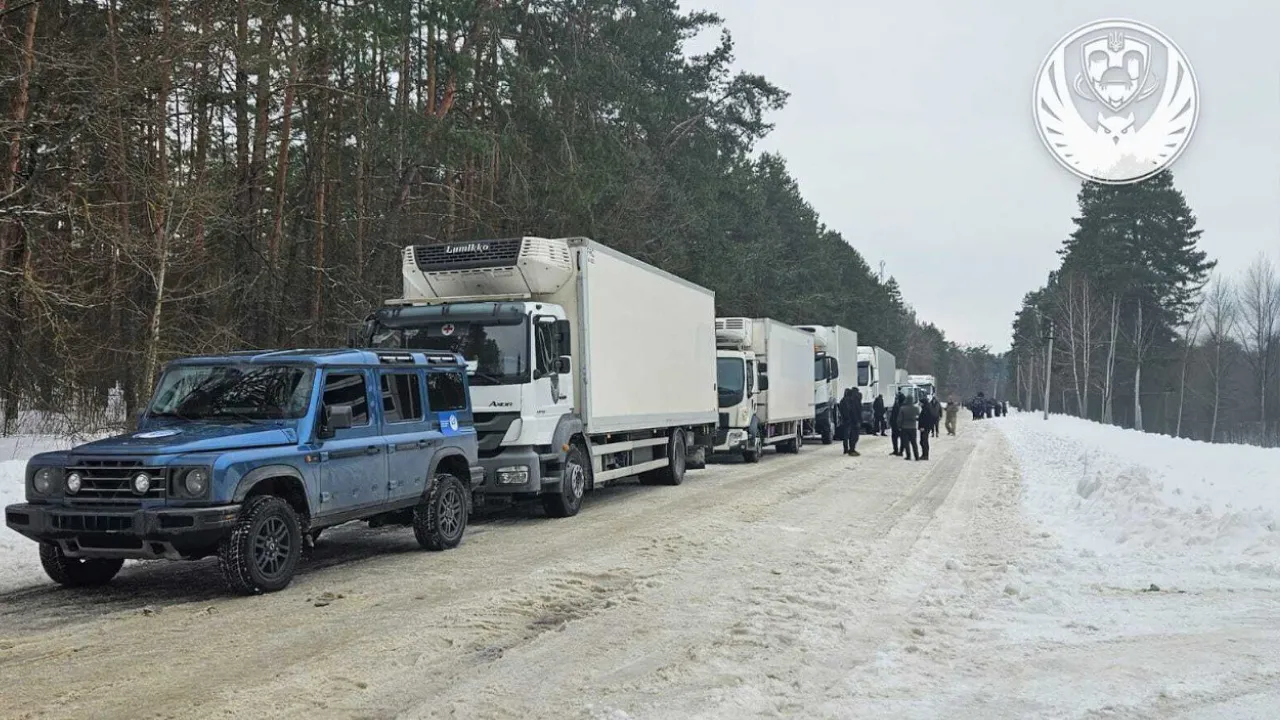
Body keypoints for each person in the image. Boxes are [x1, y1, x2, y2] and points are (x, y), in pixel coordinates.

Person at [839, 387, 861, 456]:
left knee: (847, 436)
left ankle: (847, 449)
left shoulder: (843, 400)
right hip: (850, 421)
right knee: (853, 436)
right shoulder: (851, 400)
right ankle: (851, 450)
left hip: (846, 420)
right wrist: (855, 420)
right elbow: (853, 411)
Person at [898, 395, 921, 460]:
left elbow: (900, 419)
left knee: (906, 443)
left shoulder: (902, 408)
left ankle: (908, 455)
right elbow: (919, 417)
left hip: (904, 427)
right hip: (913, 427)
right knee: (914, 443)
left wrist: (899, 426)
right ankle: (916, 456)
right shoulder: (916, 408)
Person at [888, 391, 904, 456]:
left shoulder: (902, 405)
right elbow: (893, 414)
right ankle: (896, 450)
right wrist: (891, 421)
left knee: (902, 438)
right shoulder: (896, 404)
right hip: (894, 424)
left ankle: (900, 451)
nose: (896, 399)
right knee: (894, 438)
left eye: (897, 397)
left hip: (900, 425)